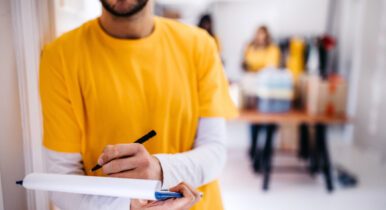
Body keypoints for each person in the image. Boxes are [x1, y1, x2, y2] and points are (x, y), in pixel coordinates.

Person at [39, 0, 237, 209]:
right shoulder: (59, 56)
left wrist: (160, 170)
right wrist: (128, 205)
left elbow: (215, 152)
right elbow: (62, 181)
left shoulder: (200, 45)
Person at [241, 26, 280, 171]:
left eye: (263, 35)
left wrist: (256, 67)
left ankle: (266, 155)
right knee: (254, 122)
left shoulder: (273, 49)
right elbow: (246, 63)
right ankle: (254, 152)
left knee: (269, 123)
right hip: (253, 89)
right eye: (259, 35)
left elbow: (272, 66)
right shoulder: (250, 46)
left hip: (269, 91)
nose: (261, 38)